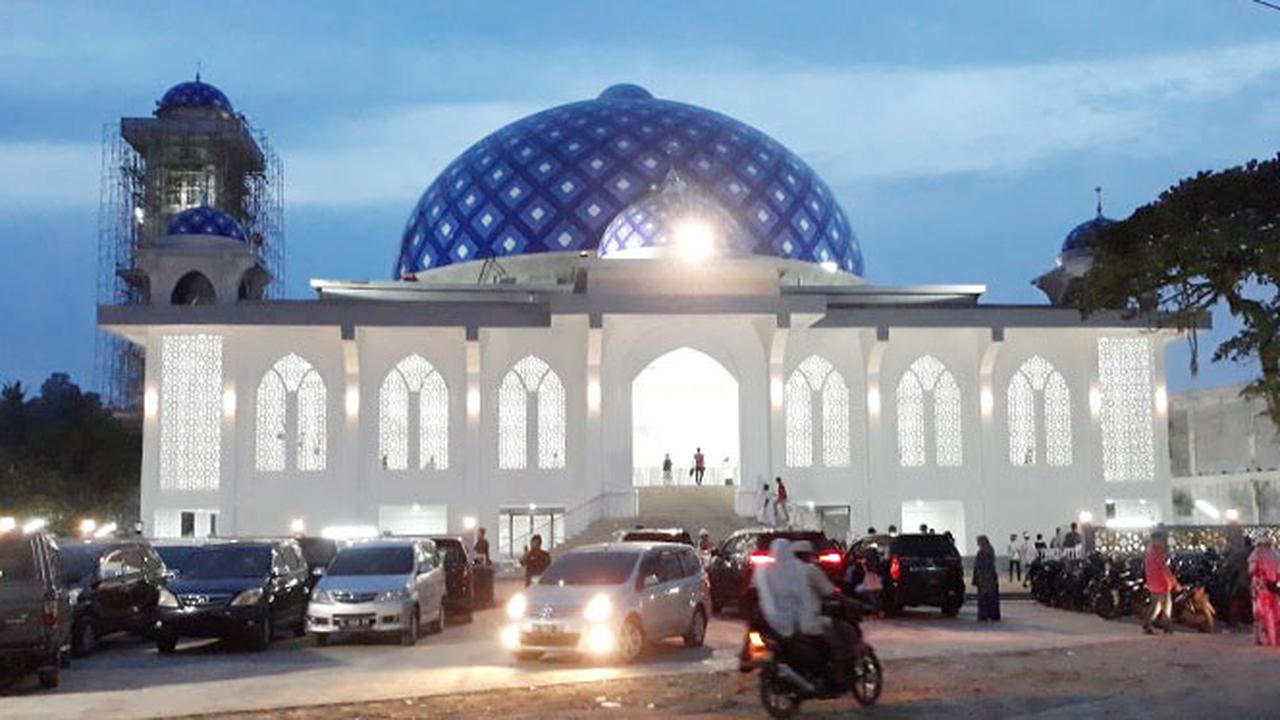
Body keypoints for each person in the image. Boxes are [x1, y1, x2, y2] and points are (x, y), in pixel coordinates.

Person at [1142, 532, 1176, 635]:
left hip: (1152, 584)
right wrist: (1173, 581)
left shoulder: (1148, 553)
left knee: (1155, 606)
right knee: (1166, 606)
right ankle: (1167, 627)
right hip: (1162, 584)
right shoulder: (1158, 553)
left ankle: (1147, 625)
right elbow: (1164, 569)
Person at [1248, 537, 1280, 646]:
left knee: (1260, 614)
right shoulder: (1276, 554)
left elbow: (1251, 570)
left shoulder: (1256, 554)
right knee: (1275, 612)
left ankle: (1262, 638)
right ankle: (1275, 638)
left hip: (1260, 587)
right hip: (1274, 587)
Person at [974, 535, 1001, 621]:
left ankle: (985, 614)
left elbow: (982, 565)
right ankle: (991, 614)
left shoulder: (984, 551)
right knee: (989, 597)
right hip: (987, 577)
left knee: (985, 597)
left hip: (985, 578)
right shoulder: (989, 550)